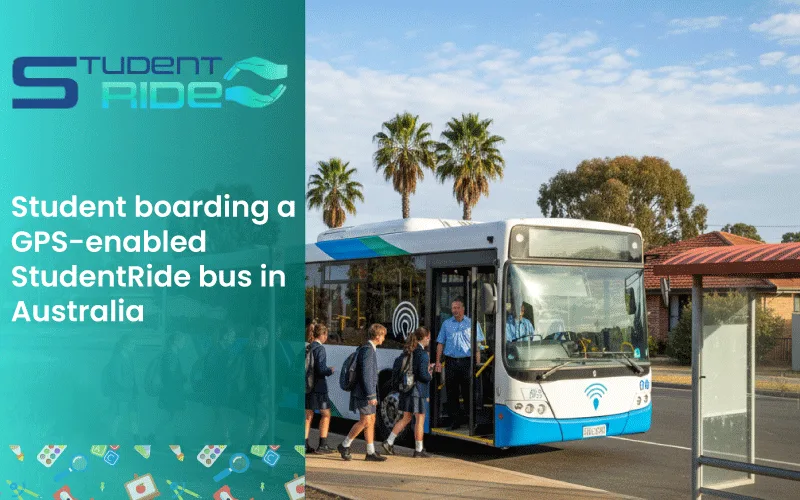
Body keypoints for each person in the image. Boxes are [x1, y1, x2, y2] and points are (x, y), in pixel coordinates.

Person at [338, 324, 387, 462]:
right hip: (363, 393)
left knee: (371, 421)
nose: (384, 339)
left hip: (365, 392)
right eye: (383, 336)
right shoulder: (368, 350)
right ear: (377, 336)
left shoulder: (367, 348)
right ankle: (344, 444)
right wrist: (371, 395)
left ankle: (370, 452)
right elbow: (366, 374)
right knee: (365, 421)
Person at [382, 327, 433, 458]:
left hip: (406, 390)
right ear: (426, 337)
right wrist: (430, 374)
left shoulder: (408, 351)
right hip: (418, 391)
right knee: (420, 420)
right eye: (429, 337)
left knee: (406, 418)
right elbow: (422, 375)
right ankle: (418, 450)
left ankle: (389, 441)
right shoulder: (422, 354)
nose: (430, 339)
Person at [435, 297, 484, 431]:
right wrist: (438, 361)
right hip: (450, 362)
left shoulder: (472, 323)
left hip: (467, 362)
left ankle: (471, 421)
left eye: (457, 308)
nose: (455, 310)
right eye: (453, 308)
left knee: (469, 392)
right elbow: (440, 343)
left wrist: (477, 364)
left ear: (463, 309)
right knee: (452, 393)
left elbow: (477, 345)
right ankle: (455, 421)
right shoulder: (446, 324)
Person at [305, 324, 335, 454]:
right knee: (326, 414)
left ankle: (304, 444)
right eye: (326, 335)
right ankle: (323, 444)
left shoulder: (308, 347)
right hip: (319, 387)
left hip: (307, 386)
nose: (326, 337)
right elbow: (321, 369)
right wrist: (330, 370)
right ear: (322, 335)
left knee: (308, 415)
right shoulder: (320, 349)